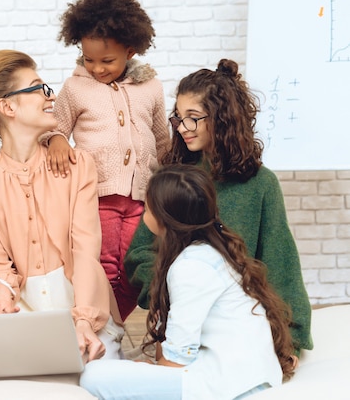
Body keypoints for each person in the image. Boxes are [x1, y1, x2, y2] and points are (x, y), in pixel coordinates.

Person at [124, 58, 313, 354]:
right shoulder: (173, 178)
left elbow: (281, 267)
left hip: (238, 330)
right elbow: (139, 253)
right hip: (179, 327)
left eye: (193, 117)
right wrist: (169, 294)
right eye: (178, 117)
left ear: (222, 118)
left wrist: (291, 340)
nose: (182, 127)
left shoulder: (261, 185)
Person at [0, 49, 125, 362]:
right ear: (8, 106)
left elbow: (86, 250)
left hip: (86, 306)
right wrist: (0, 290)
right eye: (38, 88)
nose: (51, 96)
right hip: (25, 314)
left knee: (97, 383)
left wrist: (84, 321)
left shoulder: (78, 166)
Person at [81, 164, 296, 399]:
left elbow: (177, 359)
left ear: (165, 218)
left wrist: (153, 369)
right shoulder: (210, 251)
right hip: (249, 376)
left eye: (148, 206)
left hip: (230, 385)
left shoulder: (191, 266)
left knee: (93, 375)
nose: (144, 211)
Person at [40, 0, 170, 321]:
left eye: (107, 60)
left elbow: (161, 139)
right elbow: (53, 127)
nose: (97, 68)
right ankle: (103, 331)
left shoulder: (150, 88)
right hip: (99, 198)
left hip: (142, 199)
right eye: (89, 59)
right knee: (105, 267)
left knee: (133, 267)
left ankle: (108, 326)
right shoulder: (75, 88)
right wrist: (55, 140)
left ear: (131, 50)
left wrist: (172, 174)